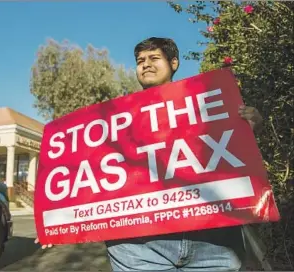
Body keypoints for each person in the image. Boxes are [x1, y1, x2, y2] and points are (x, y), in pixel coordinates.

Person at [35, 37, 264, 271]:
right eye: (140, 60)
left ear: (174, 63)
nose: (145, 64)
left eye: (154, 58)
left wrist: (247, 129)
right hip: (138, 249)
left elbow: (226, 157)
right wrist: (60, 222)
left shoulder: (207, 104)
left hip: (213, 244)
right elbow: (91, 171)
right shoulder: (112, 121)